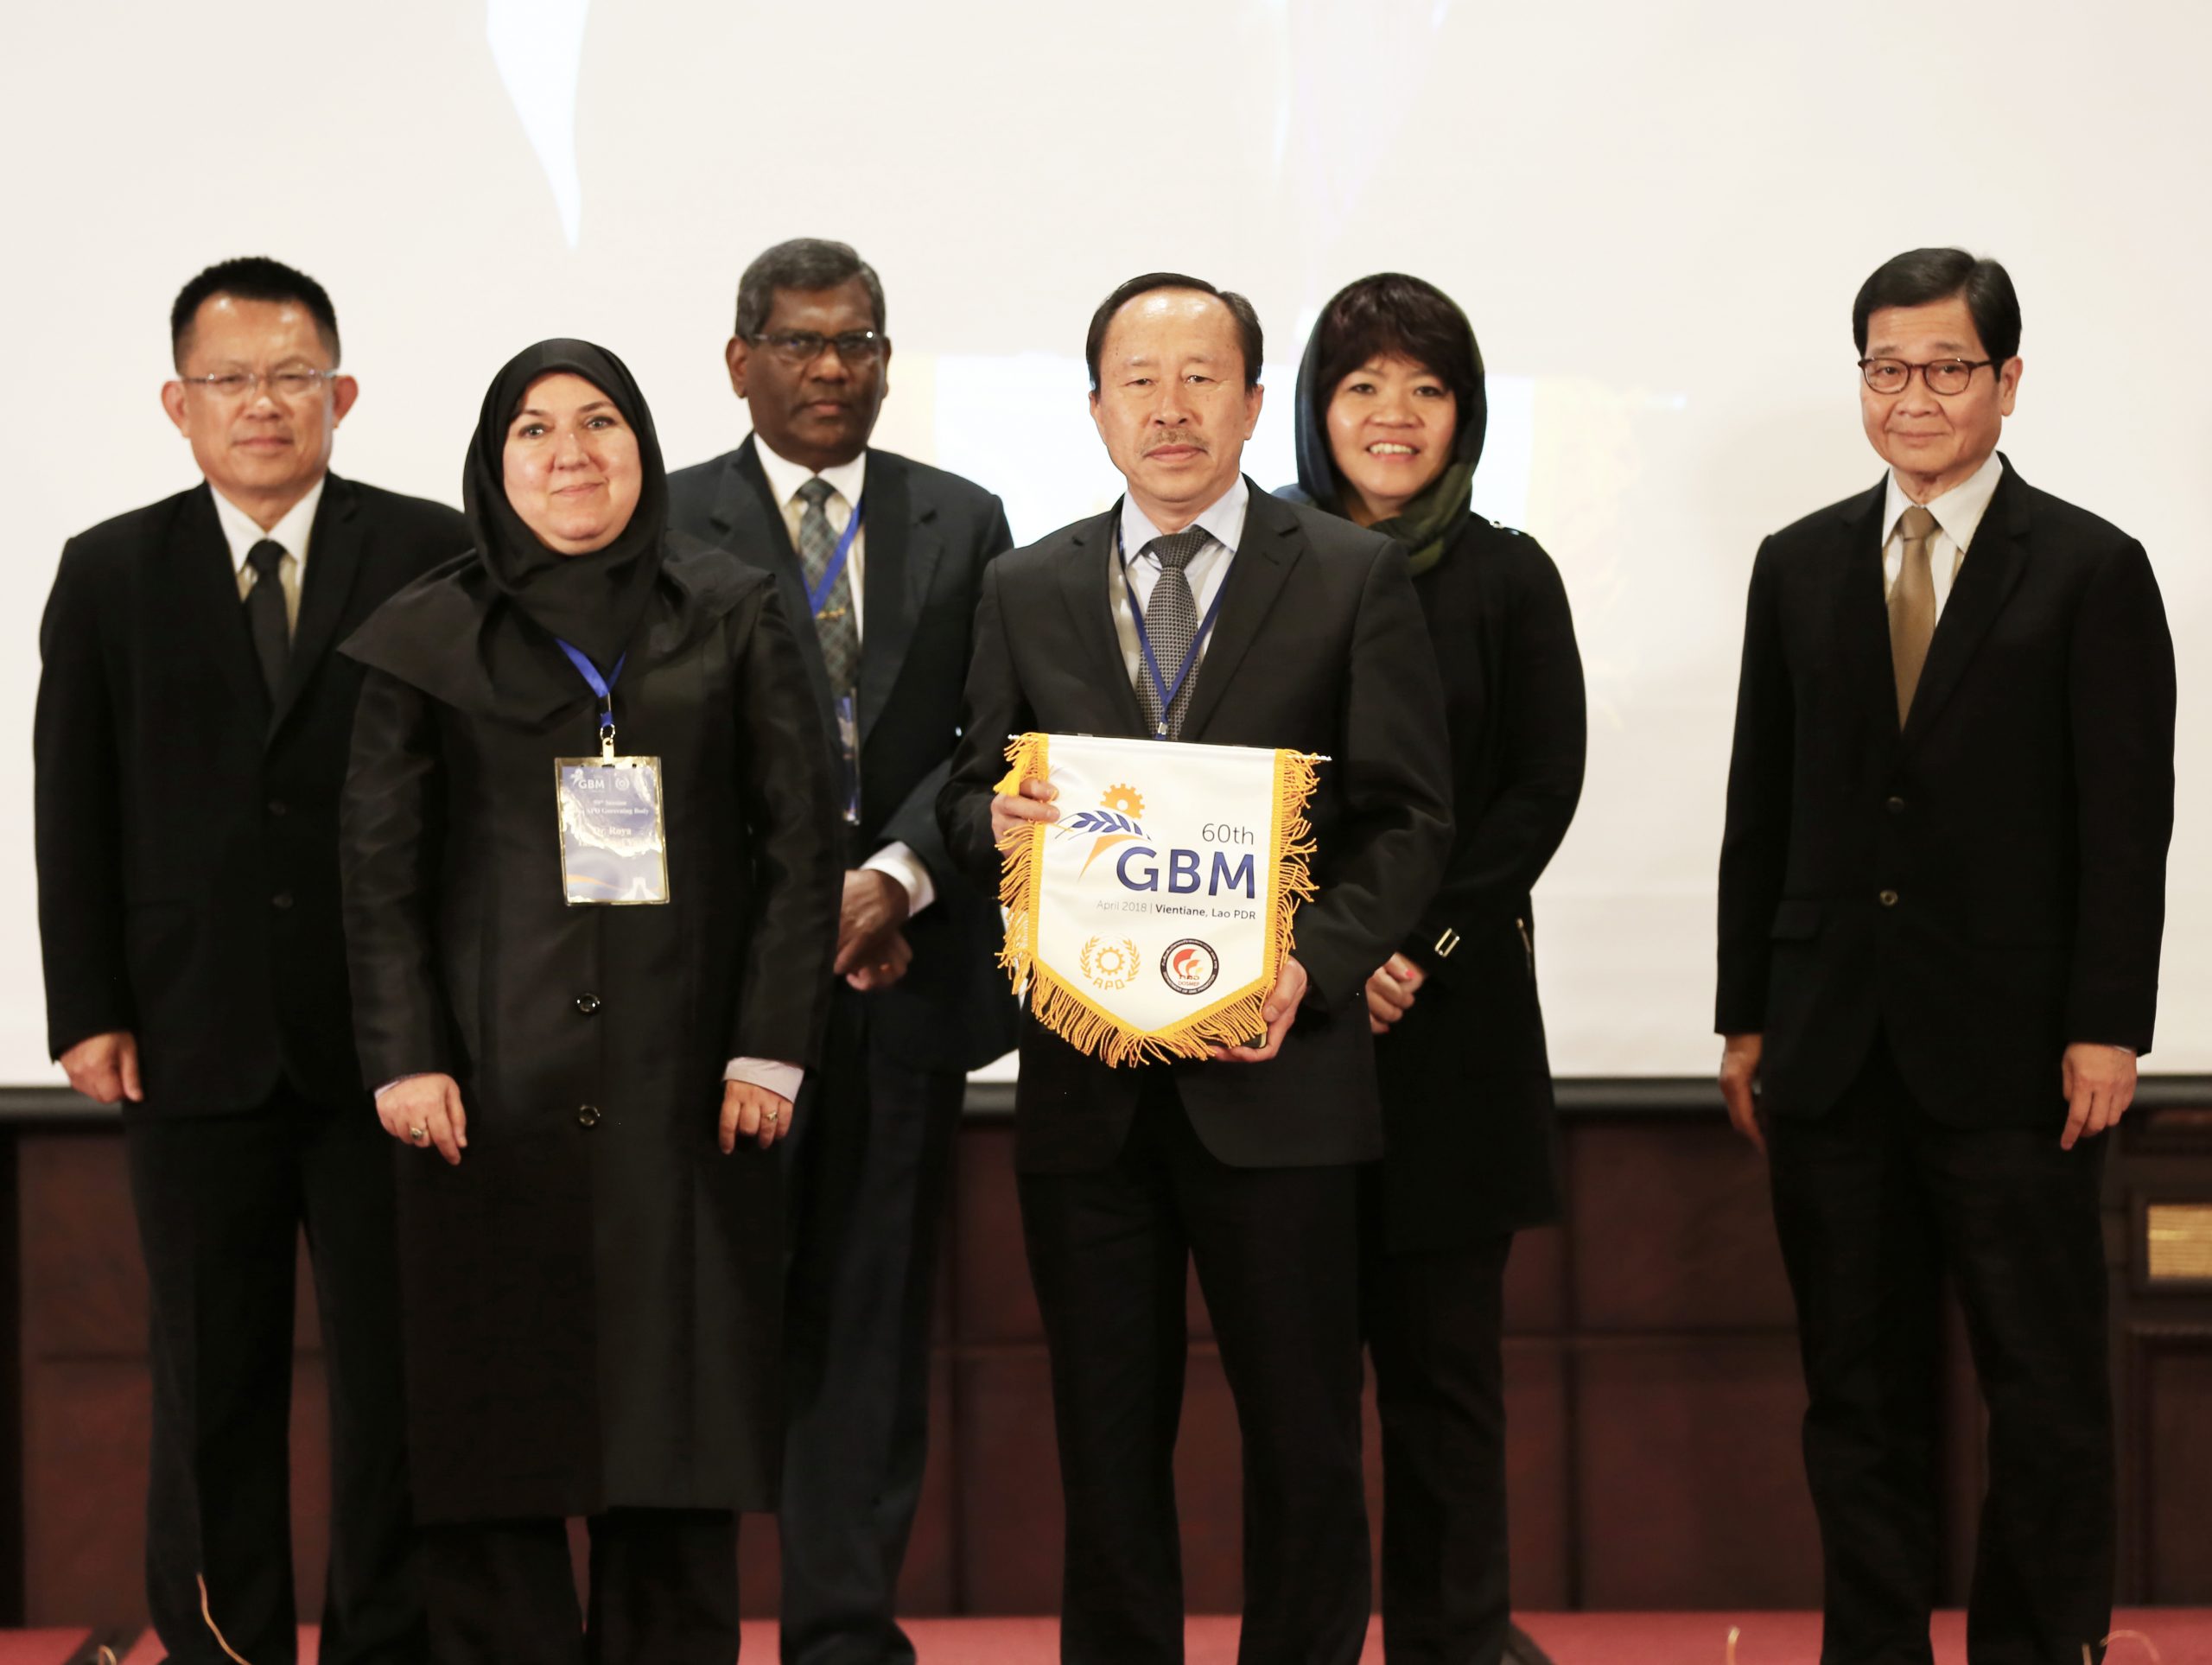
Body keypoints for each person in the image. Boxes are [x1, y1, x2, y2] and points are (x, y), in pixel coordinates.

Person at [938, 273, 1453, 1665]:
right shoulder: (1024, 582)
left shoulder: (1350, 575)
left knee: (1301, 1433)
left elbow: (1413, 818)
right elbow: (965, 784)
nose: (1169, 409)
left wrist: (1317, 969)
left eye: (1200, 378)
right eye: (1138, 381)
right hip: (1087, 1088)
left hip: (1279, 1078)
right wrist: (983, 817)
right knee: (1105, 1441)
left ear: (1247, 396)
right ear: (1096, 406)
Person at [338, 340, 842, 1664]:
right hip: (483, 1106)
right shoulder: (423, 631)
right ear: (493, 462)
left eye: (602, 422)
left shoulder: (733, 609)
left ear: (643, 445)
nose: (571, 453)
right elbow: (377, 871)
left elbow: (802, 848)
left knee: (675, 1454)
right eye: (535, 430)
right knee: (496, 1458)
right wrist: (403, 1059)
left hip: (691, 1102)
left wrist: (771, 1049)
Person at [1716, 249, 2175, 1665]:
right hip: (1832, 1044)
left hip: (2021, 1055)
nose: (1914, 396)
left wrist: (2109, 1023)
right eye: (1886, 367)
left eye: (1947, 369)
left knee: (2040, 1386)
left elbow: (2126, 821)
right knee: (1856, 1386)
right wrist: (1747, 1018)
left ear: (2007, 381)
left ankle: (2039, 1648)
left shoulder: (2092, 568)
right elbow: (1762, 804)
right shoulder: (1797, 563)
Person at [32, 257, 467, 1664]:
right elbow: (72, 800)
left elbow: (477, 801)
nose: (263, 406)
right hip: (190, 1034)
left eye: (292, 377)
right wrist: (87, 1005)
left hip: (392, 1051)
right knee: (211, 1379)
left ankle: (389, 1645)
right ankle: (226, 1647)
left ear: (342, 394)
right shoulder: (110, 570)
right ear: (178, 403)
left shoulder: (432, 552)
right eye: (230, 380)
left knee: (397, 1385)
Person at [666, 238, 1019, 1665]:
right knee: (703, 1321)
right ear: (740, 358)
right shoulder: (667, 514)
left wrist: (895, 876)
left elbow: (992, 735)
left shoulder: (964, 516)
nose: (831, 369)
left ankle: (841, 1632)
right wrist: (790, 906)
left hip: (904, 980)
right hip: (717, 995)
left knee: (869, 1329)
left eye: (857, 344)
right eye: (802, 343)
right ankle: (683, 1629)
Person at [1283, 273, 1585, 1665]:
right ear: (1315, 410)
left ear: (1462, 412)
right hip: (1286, 1031)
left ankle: (1457, 1641)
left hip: (1456, 1025)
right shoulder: (1261, 566)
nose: (1393, 416)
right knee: (1299, 1388)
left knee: (1446, 1378)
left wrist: (1414, 940)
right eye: (1362, 387)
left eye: (1426, 387)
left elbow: (1537, 790)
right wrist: (1332, 950)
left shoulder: (1509, 574)